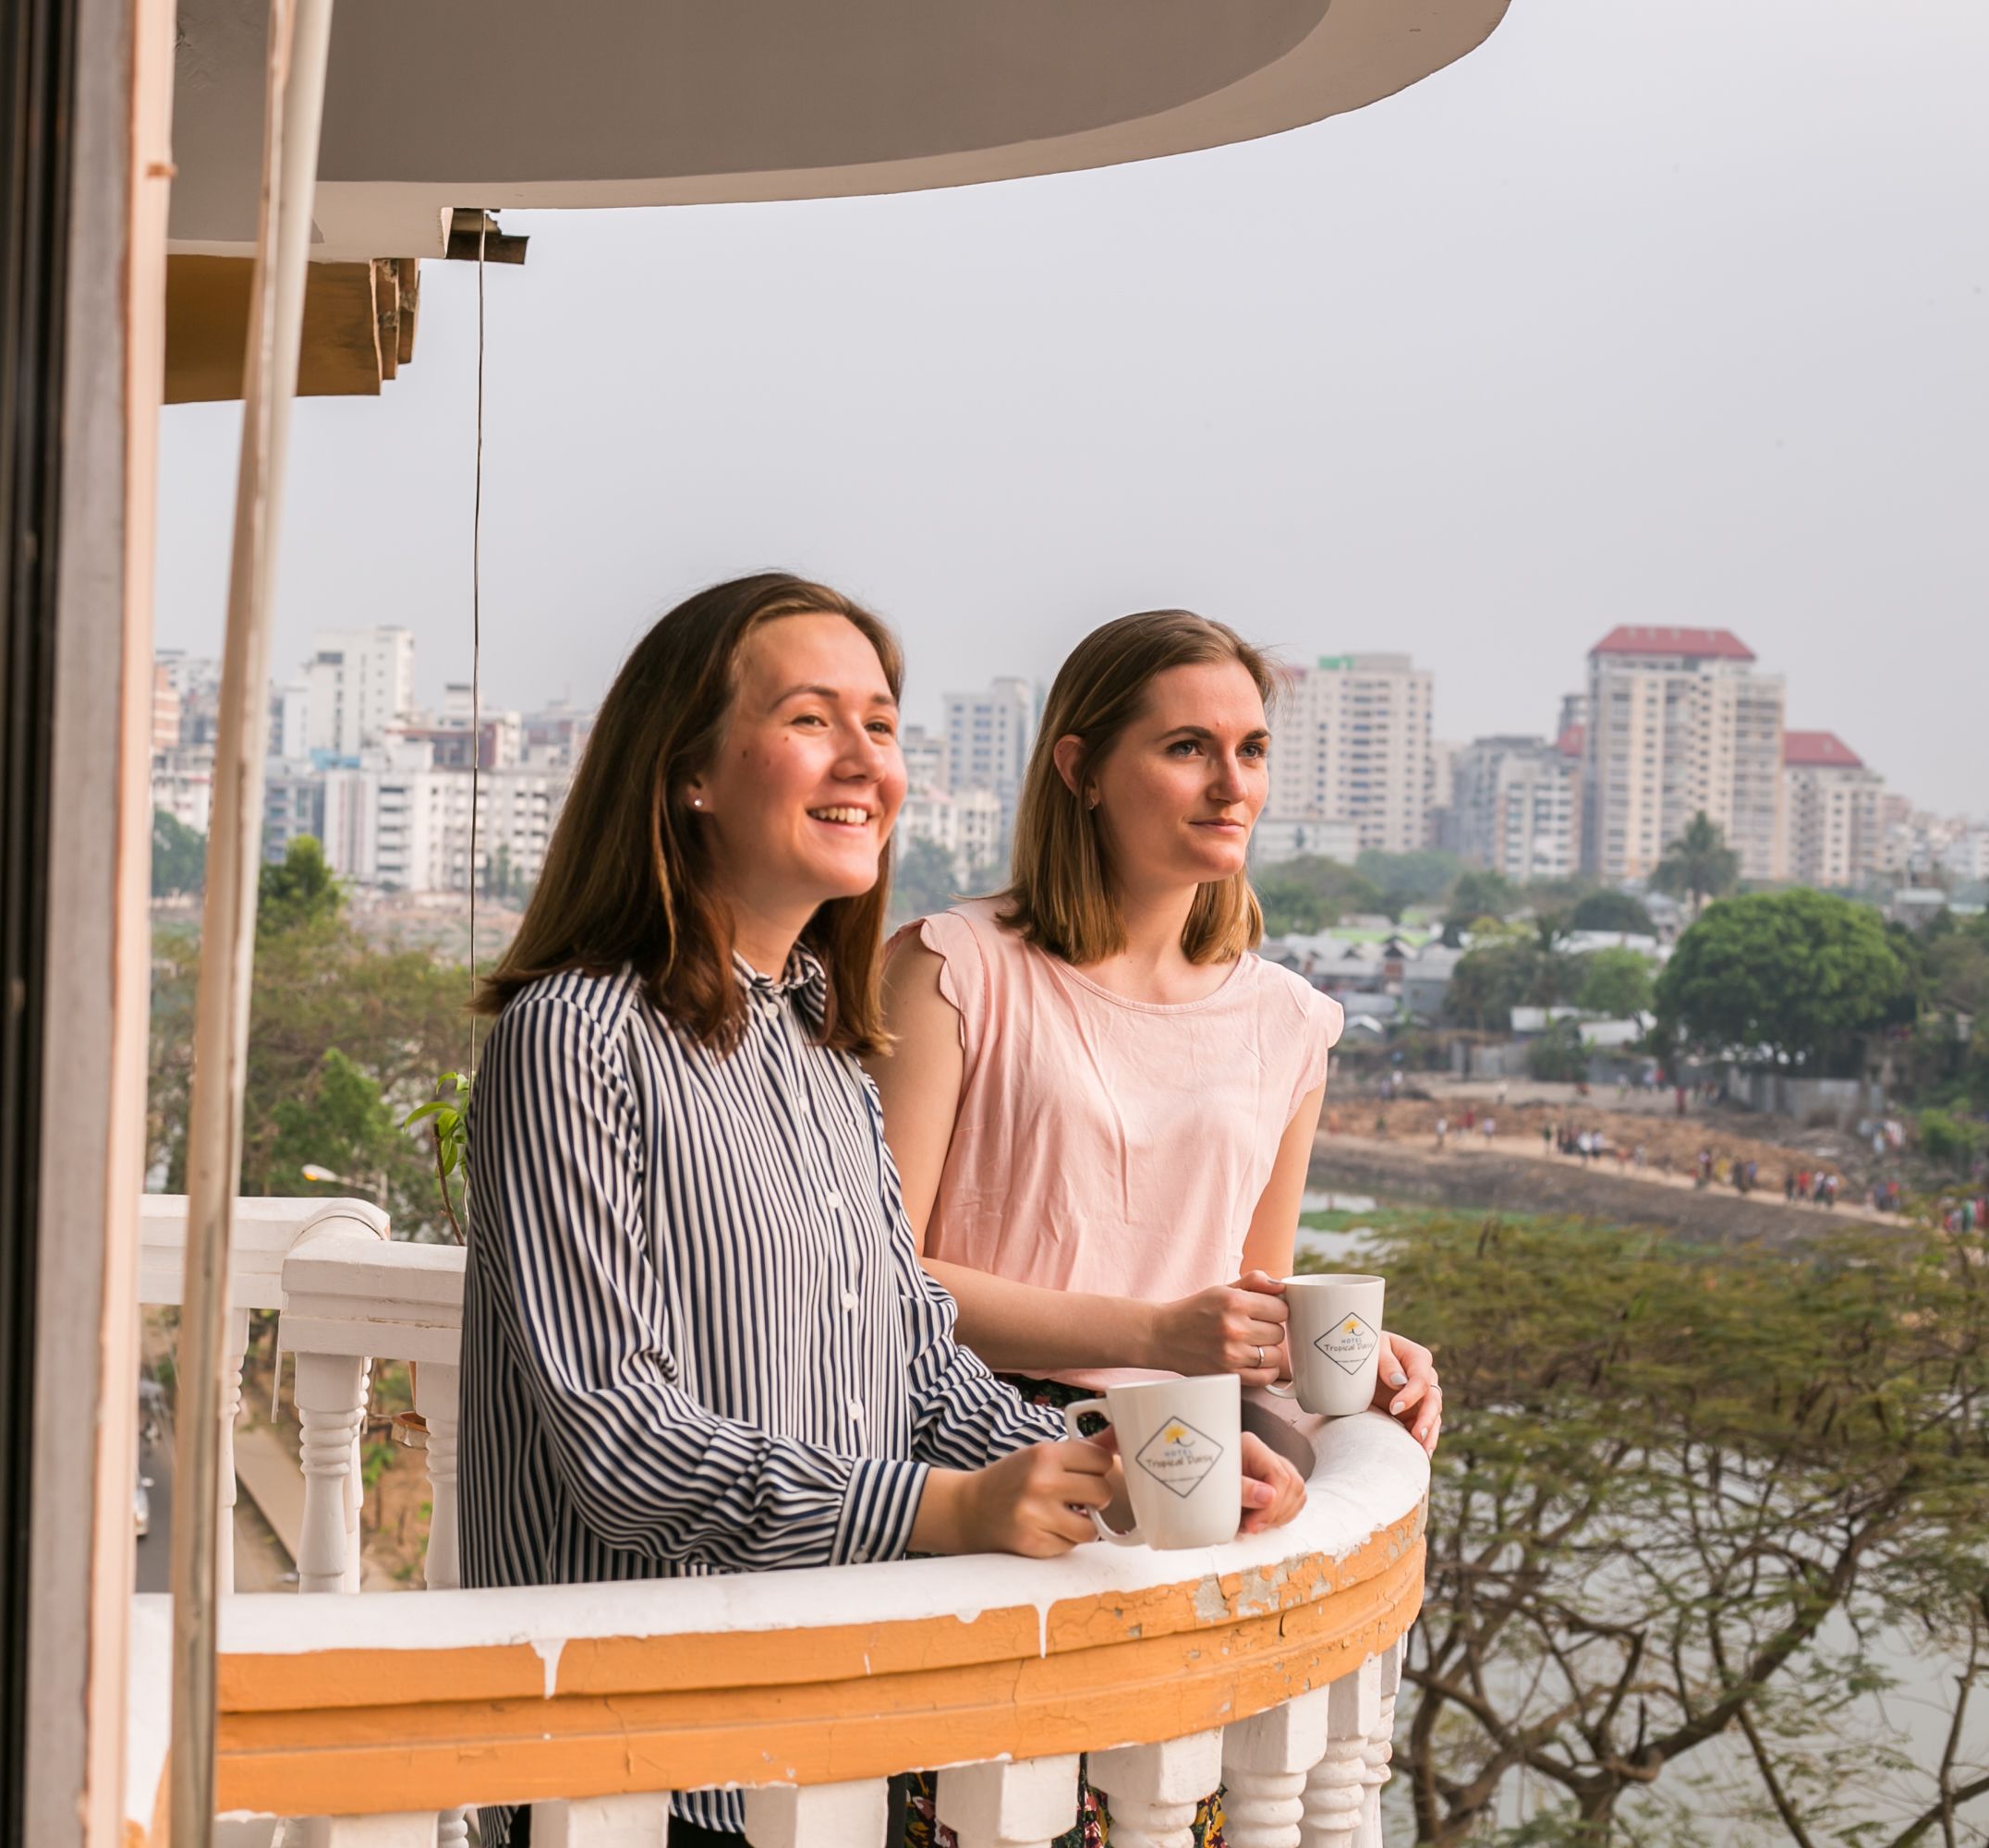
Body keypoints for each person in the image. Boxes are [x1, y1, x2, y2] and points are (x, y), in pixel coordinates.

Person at [460, 575, 1304, 1848]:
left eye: (885, 724)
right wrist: (945, 1509)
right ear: (687, 771)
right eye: (813, 719)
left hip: (825, 1754)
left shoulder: (823, 1050)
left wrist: (1124, 1460)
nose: (867, 760)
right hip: (640, 1773)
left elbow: (909, 1361)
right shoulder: (578, 1036)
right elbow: (619, 1446)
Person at [868, 610, 1440, 1453]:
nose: (1232, 785)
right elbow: (874, 1277)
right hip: (967, 1440)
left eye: (1252, 750)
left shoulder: (1288, 1021)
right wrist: (1151, 1333)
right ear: (1082, 770)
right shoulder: (951, 972)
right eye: (1187, 748)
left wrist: (1344, 1354)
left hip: (1193, 1447)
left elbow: (1253, 1293)